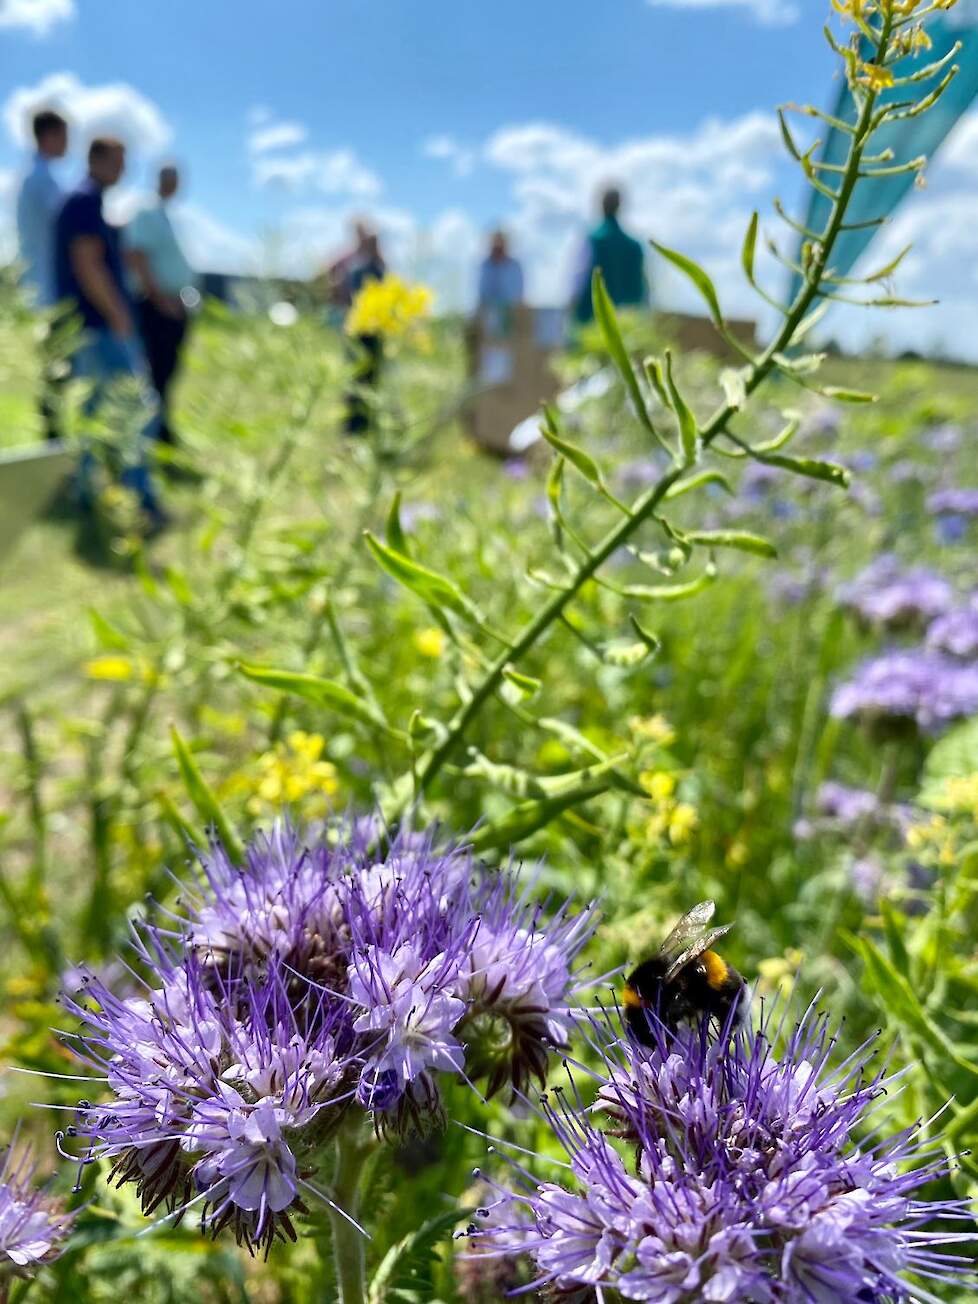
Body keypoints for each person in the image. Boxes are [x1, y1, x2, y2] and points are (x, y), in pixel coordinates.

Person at [54, 137, 165, 526]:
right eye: (118, 161)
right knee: (137, 409)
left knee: (91, 412)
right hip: (101, 325)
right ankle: (140, 499)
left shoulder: (88, 203)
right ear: (96, 160)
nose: (123, 169)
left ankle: (86, 491)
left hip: (89, 325)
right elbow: (88, 265)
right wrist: (120, 316)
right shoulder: (84, 200)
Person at [125, 164, 196, 445]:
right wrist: (160, 299)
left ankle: (160, 425)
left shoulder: (168, 216)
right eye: (171, 180)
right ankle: (150, 431)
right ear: (160, 181)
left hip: (174, 303)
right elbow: (136, 255)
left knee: (168, 370)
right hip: (156, 305)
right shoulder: (146, 212)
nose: (175, 185)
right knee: (154, 370)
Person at [16, 109, 69, 440]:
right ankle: (53, 439)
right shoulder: (43, 180)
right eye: (64, 137)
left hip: (38, 287)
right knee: (55, 369)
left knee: (53, 369)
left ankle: (53, 435)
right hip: (49, 289)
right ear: (49, 135)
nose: (67, 144)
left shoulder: (33, 177)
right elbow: (66, 230)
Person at [571, 186, 648, 326]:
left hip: (592, 322)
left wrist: (572, 309)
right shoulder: (634, 246)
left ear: (601, 205)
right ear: (619, 206)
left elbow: (578, 281)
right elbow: (644, 289)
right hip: (628, 325)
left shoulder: (593, 239)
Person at [344, 232, 386, 436]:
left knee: (360, 379)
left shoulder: (362, 268)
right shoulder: (375, 269)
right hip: (366, 332)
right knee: (364, 380)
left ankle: (356, 426)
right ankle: (358, 426)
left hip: (366, 332)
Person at [477, 230, 524, 312]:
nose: (498, 249)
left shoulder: (515, 266)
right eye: (496, 246)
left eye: (501, 245)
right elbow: (483, 293)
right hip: (489, 312)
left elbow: (517, 294)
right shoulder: (485, 266)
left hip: (512, 311)